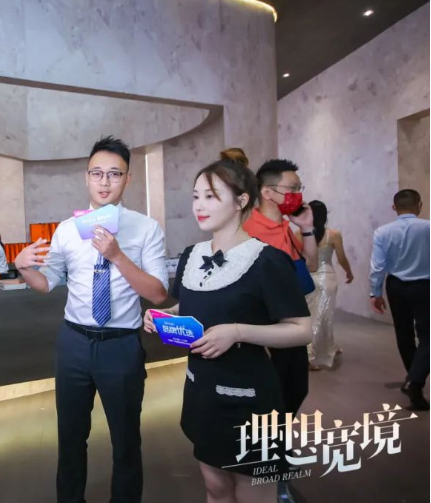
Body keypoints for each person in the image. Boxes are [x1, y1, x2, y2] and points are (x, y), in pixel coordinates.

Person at [144, 158, 311, 503]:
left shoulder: (266, 260)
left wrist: (237, 332)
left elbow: (301, 329)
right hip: (202, 393)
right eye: (196, 196)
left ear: (241, 200)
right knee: (215, 488)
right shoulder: (192, 256)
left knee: (254, 494)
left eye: (211, 196)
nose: (199, 205)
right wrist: (164, 316)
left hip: (249, 399)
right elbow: (193, 307)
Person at [15, 136, 168, 503]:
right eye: (97, 173)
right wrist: (23, 268)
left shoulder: (146, 228)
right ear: (86, 178)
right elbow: (46, 283)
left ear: (128, 179)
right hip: (73, 344)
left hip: (121, 346)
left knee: (126, 441)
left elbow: (159, 294)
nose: (104, 182)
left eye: (114, 174)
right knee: (70, 438)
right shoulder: (67, 229)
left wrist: (117, 255)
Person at [240, 158, 316, 418]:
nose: (297, 195)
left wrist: (307, 228)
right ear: (267, 192)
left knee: (295, 385)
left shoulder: (286, 226)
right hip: (263, 319)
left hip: (290, 315)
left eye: (299, 188)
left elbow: (311, 265)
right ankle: (268, 435)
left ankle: (276, 433)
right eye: (292, 189)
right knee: (275, 385)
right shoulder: (248, 228)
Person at [369, 189, 430, 411]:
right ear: (419, 205)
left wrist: (375, 292)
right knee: (428, 335)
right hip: (425, 286)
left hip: (395, 286)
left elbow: (378, 266)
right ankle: (414, 381)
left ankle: (413, 381)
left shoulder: (382, 232)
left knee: (404, 334)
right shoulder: (429, 227)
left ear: (394, 207)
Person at [306, 200, 354, 370]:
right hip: (326, 278)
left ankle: (328, 345)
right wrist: (349, 272)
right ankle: (309, 355)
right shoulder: (333, 235)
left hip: (308, 278)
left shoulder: (300, 234)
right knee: (324, 316)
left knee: (312, 316)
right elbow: (341, 258)